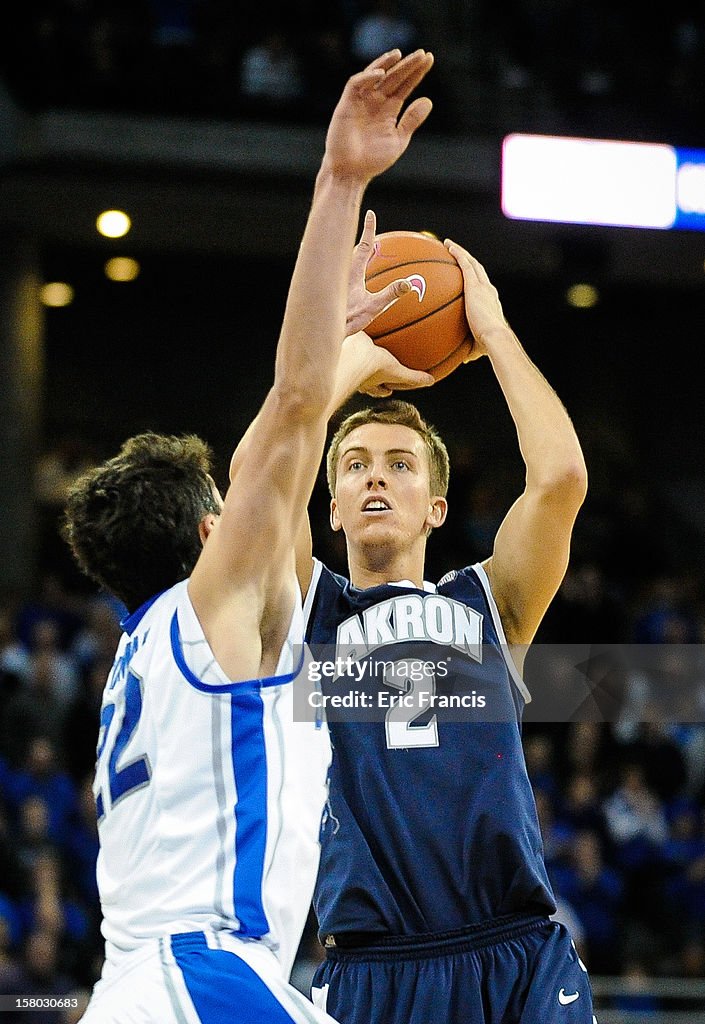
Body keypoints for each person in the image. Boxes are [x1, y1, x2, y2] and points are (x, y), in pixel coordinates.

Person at [61, 48, 435, 1024]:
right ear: (205, 531)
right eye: (231, 512)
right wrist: (340, 177)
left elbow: (299, 428)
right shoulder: (205, 612)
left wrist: (348, 351)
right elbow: (291, 404)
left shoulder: (156, 651)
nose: (252, 517)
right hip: (201, 981)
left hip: (166, 984)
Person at [296, 242, 594, 1022]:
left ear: (435, 506)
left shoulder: (487, 602)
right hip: (374, 967)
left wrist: (490, 330)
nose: (373, 477)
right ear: (329, 507)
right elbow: (261, 481)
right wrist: (347, 362)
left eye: (399, 465)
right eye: (354, 465)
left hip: (516, 953)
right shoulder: (305, 608)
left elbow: (560, 480)